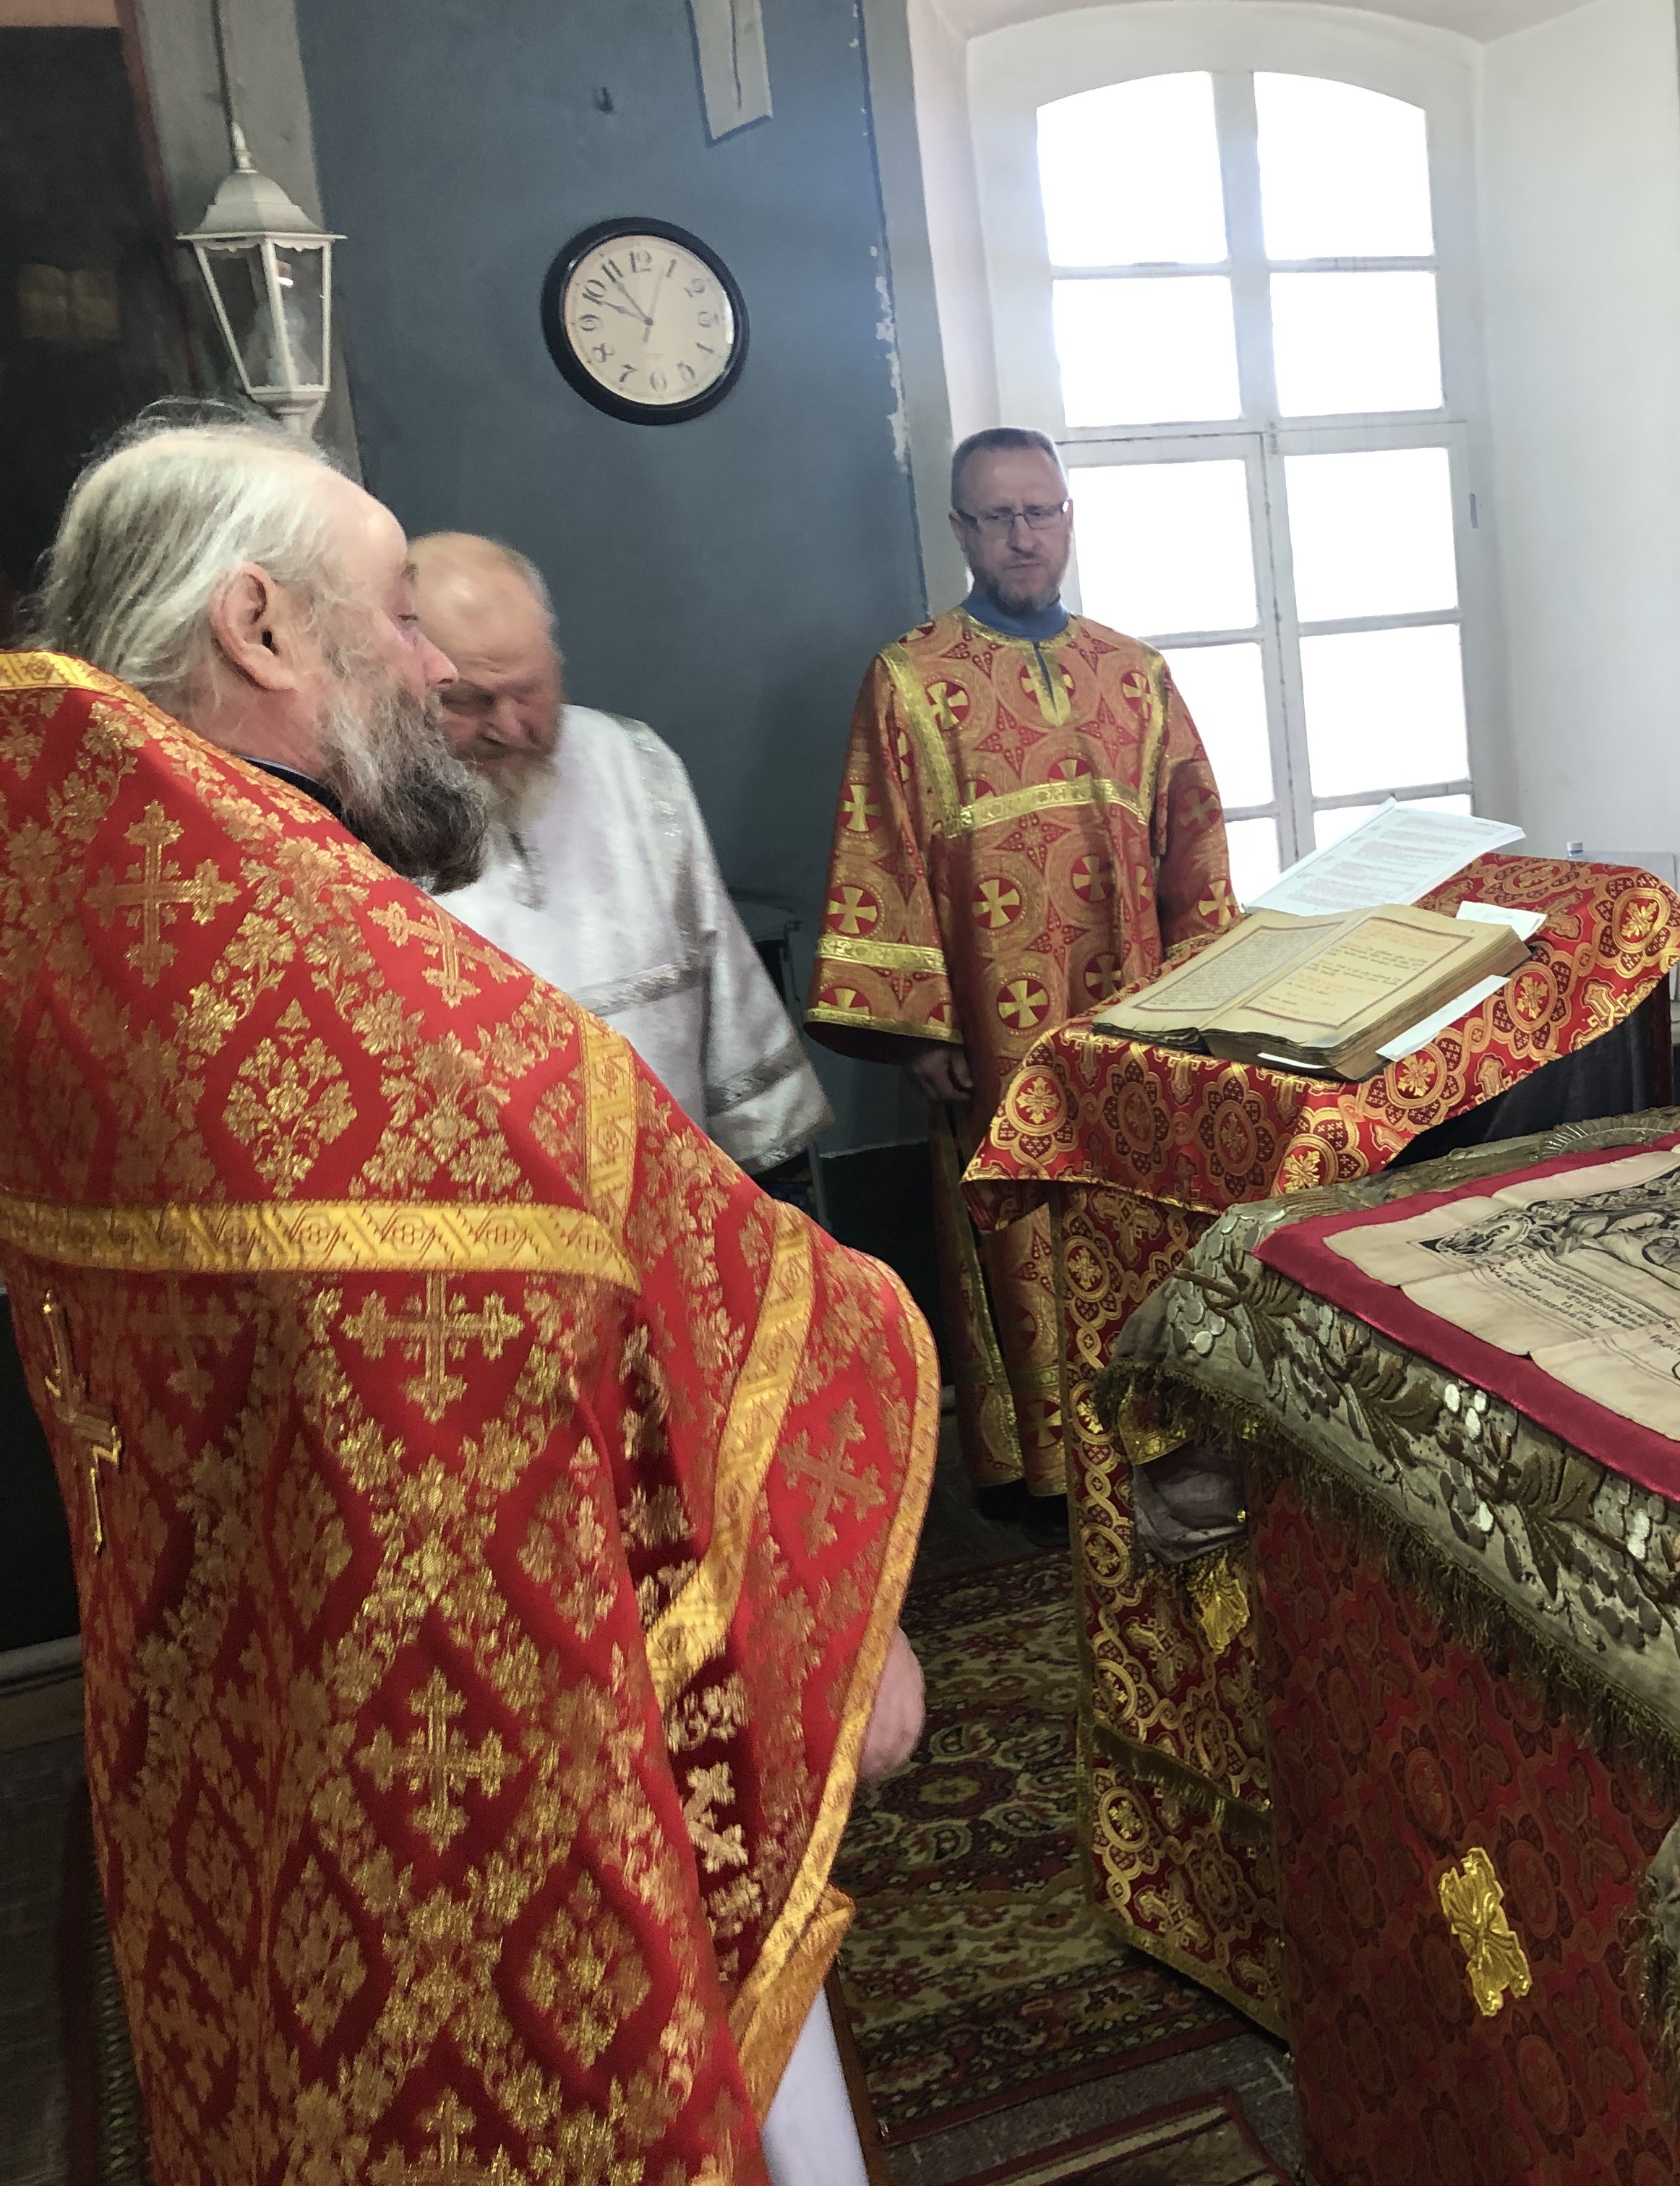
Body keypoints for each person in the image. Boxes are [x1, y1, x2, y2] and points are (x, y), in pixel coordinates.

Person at [9, 416, 931, 2185]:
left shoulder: (88, 932)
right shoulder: (369, 1013)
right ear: (262, 627)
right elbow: (657, 1283)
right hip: (505, 1749)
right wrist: (823, 1608)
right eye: (393, 616)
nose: (434, 672)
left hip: (246, 1722)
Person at [807, 427, 1235, 1520]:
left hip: (1132, 1023)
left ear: (1068, 521)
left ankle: (1162, 1437)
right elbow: (880, 854)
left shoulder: (1135, 676)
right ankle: (1044, 1476)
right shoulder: (910, 681)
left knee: (1141, 1221)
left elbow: (1194, 842)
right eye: (997, 516)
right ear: (960, 530)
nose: (1023, 536)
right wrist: (921, 1026)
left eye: (1041, 512)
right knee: (1019, 1231)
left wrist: (1204, 995)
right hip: (994, 1036)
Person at [411, 531, 835, 1183]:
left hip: (680, 1189)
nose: (512, 728)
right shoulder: (364, 814)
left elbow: (723, 978)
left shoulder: (636, 764)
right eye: (469, 702)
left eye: (530, 690)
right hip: (500, 1211)